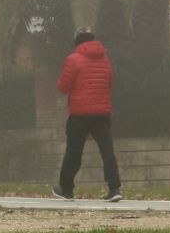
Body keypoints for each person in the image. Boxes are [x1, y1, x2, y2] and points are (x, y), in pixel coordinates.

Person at [52, 29, 122, 201]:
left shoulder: (73, 59)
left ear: (77, 42)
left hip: (79, 114)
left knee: (74, 152)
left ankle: (66, 189)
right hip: (102, 114)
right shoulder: (105, 59)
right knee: (107, 151)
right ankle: (114, 189)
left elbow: (63, 88)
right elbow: (110, 82)